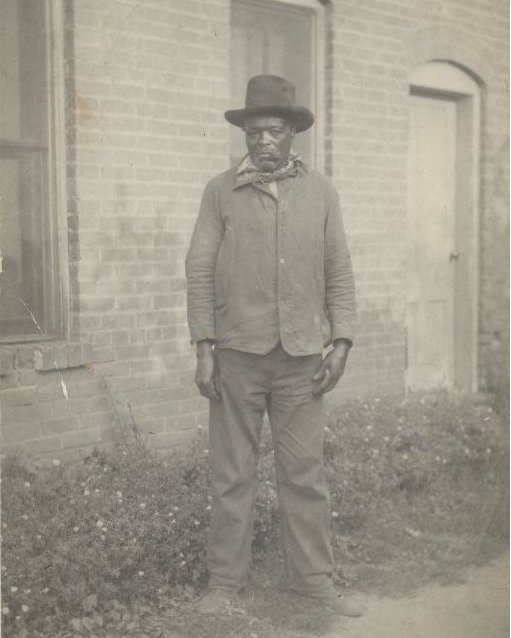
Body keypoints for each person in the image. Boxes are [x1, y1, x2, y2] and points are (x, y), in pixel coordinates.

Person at [185, 75, 361, 617]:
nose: (264, 141)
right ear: (244, 135)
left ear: (293, 135)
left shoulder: (321, 192)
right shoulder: (220, 192)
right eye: (254, 132)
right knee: (232, 473)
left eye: (275, 131)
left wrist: (342, 342)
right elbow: (198, 269)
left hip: (303, 360)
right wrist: (204, 346)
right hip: (237, 355)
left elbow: (339, 272)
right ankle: (223, 588)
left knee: (305, 475)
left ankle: (313, 582)